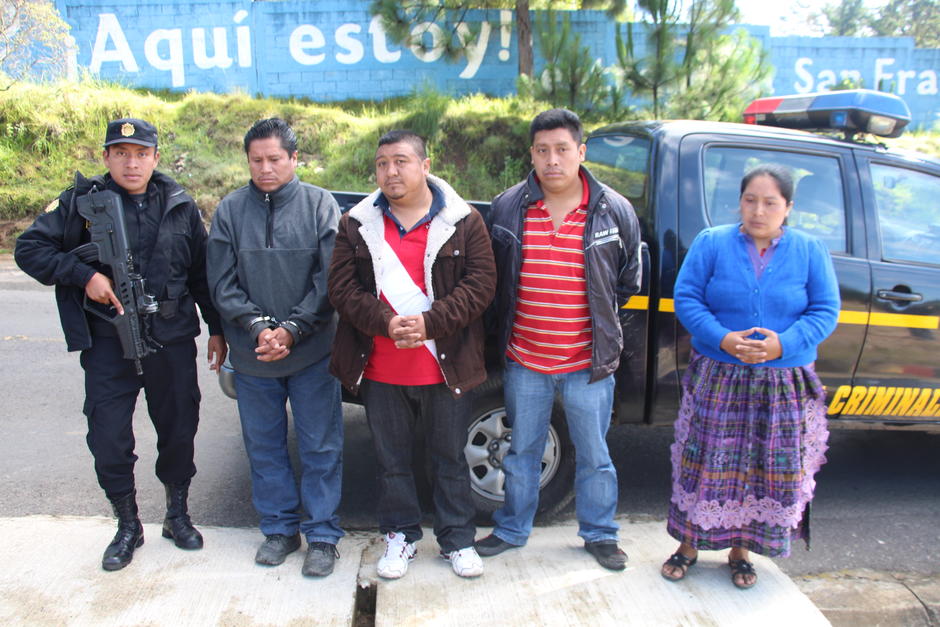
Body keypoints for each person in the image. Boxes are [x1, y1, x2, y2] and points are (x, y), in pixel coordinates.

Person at [14, 118, 226, 571]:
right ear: (106, 156)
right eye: (122, 152)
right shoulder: (79, 203)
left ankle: (176, 514)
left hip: (170, 337)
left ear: (155, 157)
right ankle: (127, 524)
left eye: (141, 153)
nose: (132, 162)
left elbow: (201, 274)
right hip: (109, 339)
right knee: (108, 436)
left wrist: (218, 328)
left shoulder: (179, 204)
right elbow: (29, 249)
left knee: (179, 429)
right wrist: (84, 275)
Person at [476, 108, 642, 571]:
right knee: (522, 450)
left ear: (581, 152)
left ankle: (600, 534)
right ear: (531, 153)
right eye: (543, 150)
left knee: (595, 456)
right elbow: (493, 281)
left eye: (562, 149)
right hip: (525, 359)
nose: (553, 160)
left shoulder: (614, 209)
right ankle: (511, 527)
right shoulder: (508, 206)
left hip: (587, 364)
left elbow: (628, 282)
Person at [661, 164, 840, 589]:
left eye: (770, 202)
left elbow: (825, 310)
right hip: (719, 377)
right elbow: (687, 298)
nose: (758, 210)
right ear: (739, 202)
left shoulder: (810, 250)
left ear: (788, 207)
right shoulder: (712, 243)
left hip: (782, 383)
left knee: (760, 469)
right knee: (703, 462)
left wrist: (783, 344)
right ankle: (687, 545)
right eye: (750, 200)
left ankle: (740, 552)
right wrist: (722, 339)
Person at [328, 130, 496, 580]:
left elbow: (480, 286)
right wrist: (385, 322)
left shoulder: (464, 221)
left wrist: (430, 322)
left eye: (401, 161)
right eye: (382, 163)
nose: (390, 171)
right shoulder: (357, 223)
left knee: (449, 458)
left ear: (425, 165)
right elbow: (341, 288)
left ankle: (458, 540)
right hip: (382, 367)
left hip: (445, 367)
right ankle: (399, 537)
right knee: (391, 460)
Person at [207, 118, 344, 578]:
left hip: (311, 353)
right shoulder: (229, 210)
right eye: (256, 160)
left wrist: (292, 329)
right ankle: (280, 530)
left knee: (321, 445)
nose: (265, 168)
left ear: (293, 159)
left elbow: (330, 280)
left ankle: (323, 535)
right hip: (253, 355)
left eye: (274, 159)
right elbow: (221, 284)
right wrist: (260, 327)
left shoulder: (319, 204)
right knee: (263, 447)